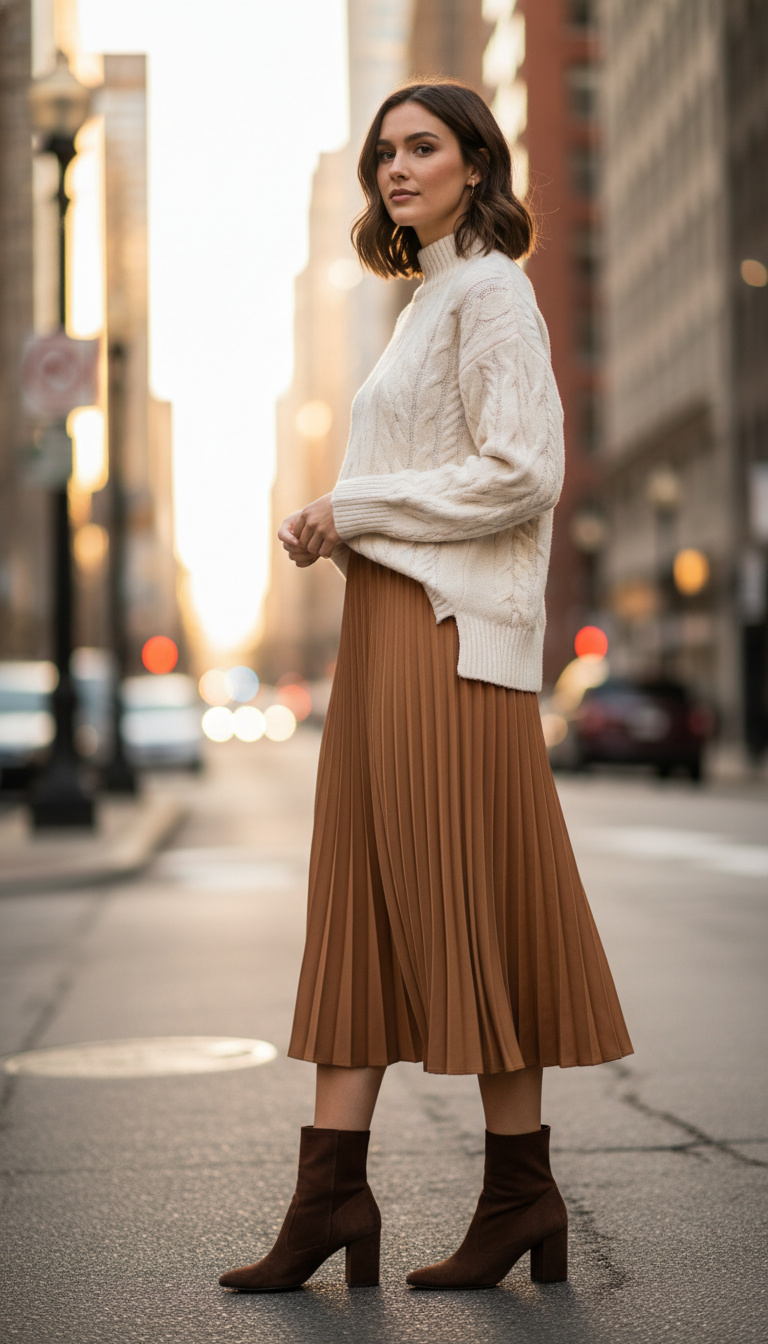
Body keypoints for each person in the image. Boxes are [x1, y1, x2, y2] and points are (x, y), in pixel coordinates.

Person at [219, 78, 632, 1295]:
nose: (396, 169)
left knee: (475, 898)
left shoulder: (494, 292)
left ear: (475, 163)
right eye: (384, 154)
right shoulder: (425, 301)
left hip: (451, 641)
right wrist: (343, 526)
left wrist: (354, 505)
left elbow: (525, 470)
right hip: (385, 631)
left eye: (422, 147)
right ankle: (330, 1199)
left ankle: (518, 1194)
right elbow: (428, 475)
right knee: (359, 900)